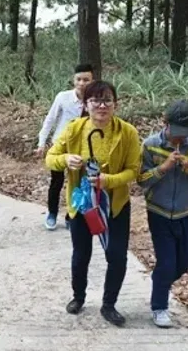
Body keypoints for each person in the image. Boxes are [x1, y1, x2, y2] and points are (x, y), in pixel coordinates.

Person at [45, 80, 140, 327]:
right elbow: (50, 158)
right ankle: (78, 297)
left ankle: (109, 304)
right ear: (86, 105)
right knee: (81, 254)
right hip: (83, 203)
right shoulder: (74, 129)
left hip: (115, 204)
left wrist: (109, 180)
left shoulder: (127, 132)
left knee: (117, 256)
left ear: (115, 104)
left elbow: (133, 170)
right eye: (96, 100)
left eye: (107, 100)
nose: (102, 106)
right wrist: (66, 159)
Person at [138, 100, 188, 328]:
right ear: (165, 123)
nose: (180, 138)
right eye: (177, 132)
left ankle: (159, 280)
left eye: (185, 133)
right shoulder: (150, 145)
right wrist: (164, 167)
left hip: (185, 212)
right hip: (158, 212)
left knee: (183, 263)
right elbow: (141, 180)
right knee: (167, 262)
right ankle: (159, 306)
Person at [36, 64, 94, 231]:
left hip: (82, 148)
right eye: (78, 79)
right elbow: (50, 119)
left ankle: (72, 215)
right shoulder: (63, 97)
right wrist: (41, 142)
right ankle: (52, 213)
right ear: (73, 80)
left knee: (78, 183)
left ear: (92, 80)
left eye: (86, 80)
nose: (82, 83)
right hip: (60, 146)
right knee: (57, 182)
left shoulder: (94, 100)